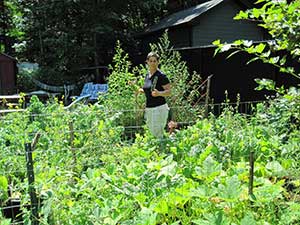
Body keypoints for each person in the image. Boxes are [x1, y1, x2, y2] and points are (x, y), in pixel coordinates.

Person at [137, 52, 171, 138]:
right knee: (152, 132)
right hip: (149, 108)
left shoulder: (161, 76)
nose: (153, 63)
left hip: (159, 107)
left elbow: (169, 92)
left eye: (155, 61)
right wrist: (139, 90)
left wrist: (159, 93)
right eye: (151, 61)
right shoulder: (147, 75)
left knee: (157, 132)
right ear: (147, 62)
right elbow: (148, 90)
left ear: (158, 62)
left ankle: (161, 150)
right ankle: (157, 149)